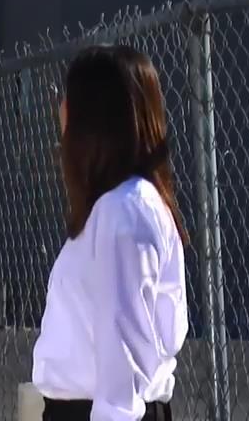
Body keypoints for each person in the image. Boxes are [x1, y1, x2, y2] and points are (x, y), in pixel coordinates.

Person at [32, 45, 189, 421]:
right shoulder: (120, 206)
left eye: (68, 97)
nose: (61, 108)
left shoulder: (124, 210)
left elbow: (124, 359)